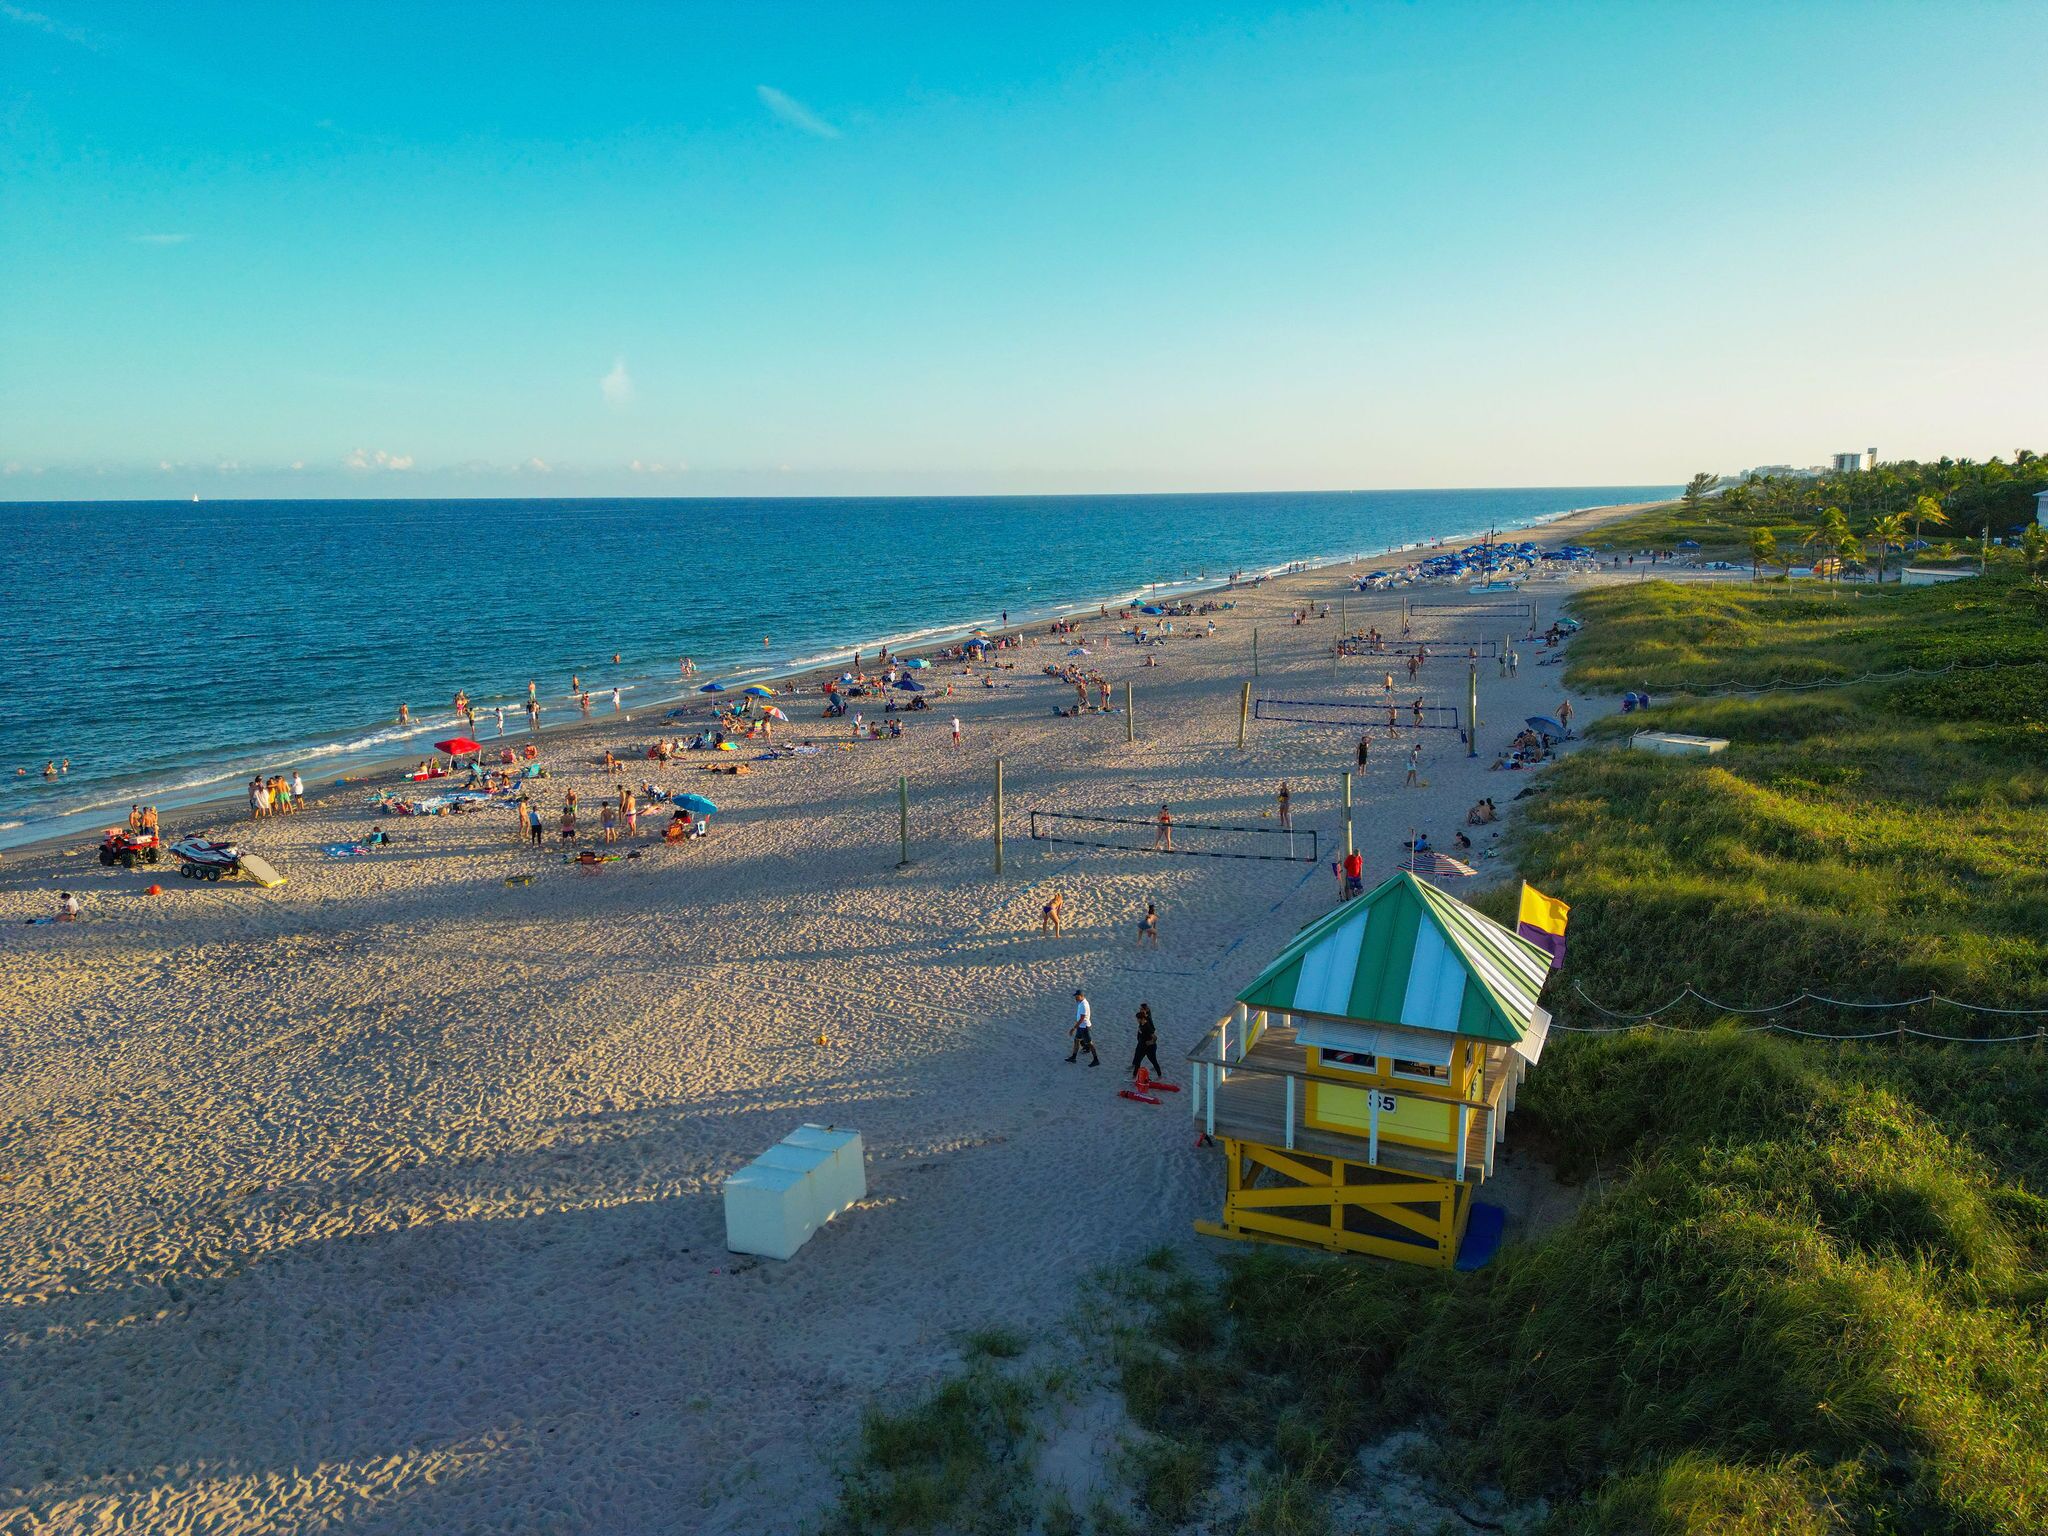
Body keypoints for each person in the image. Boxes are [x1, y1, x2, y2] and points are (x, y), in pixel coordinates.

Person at [1067, 989, 1100, 1065]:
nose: (1076, 998)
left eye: (1077, 996)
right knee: (1076, 1040)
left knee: (1090, 1044)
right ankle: (1073, 1057)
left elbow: (1082, 1018)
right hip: (1081, 1027)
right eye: (1075, 996)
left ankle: (1096, 1060)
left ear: (1082, 996)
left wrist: (1074, 1028)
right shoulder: (1081, 1002)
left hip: (1084, 1027)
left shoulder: (1084, 1005)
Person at [1131, 1002, 1161, 1078]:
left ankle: (1160, 1075)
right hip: (1142, 1046)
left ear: (1141, 1019)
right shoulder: (1141, 1024)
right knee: (1138, 1061)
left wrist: (1150, 1042)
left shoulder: (1147, 1026)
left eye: (1137, 1019)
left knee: (1153, 1061)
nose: (1136, 1020)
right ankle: (1134, 1076)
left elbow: (1155, 1037)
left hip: (1149, 1048)